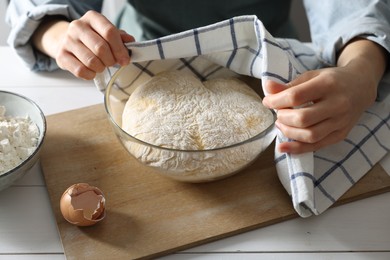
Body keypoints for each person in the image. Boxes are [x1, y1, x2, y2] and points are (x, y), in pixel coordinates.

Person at [6, 0, 390, 154]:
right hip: (132, 56)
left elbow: (354, 8)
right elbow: (38, 7)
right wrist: (61, 36)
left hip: (267, 66)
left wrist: (362, 71)